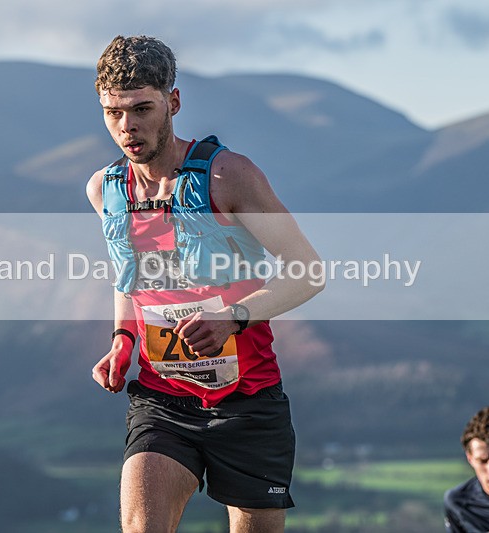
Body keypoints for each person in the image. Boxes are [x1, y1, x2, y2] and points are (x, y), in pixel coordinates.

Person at [86, 35, 324, 532]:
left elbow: (307, 270)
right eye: (112, 113)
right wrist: (122, 340)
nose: (126, 127)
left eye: (141, 109)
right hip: (162, 399)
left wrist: (231, 317)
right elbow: (129, 277)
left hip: (249, 402)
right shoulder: (105, 190)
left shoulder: (229, 176)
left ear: (173, 101)